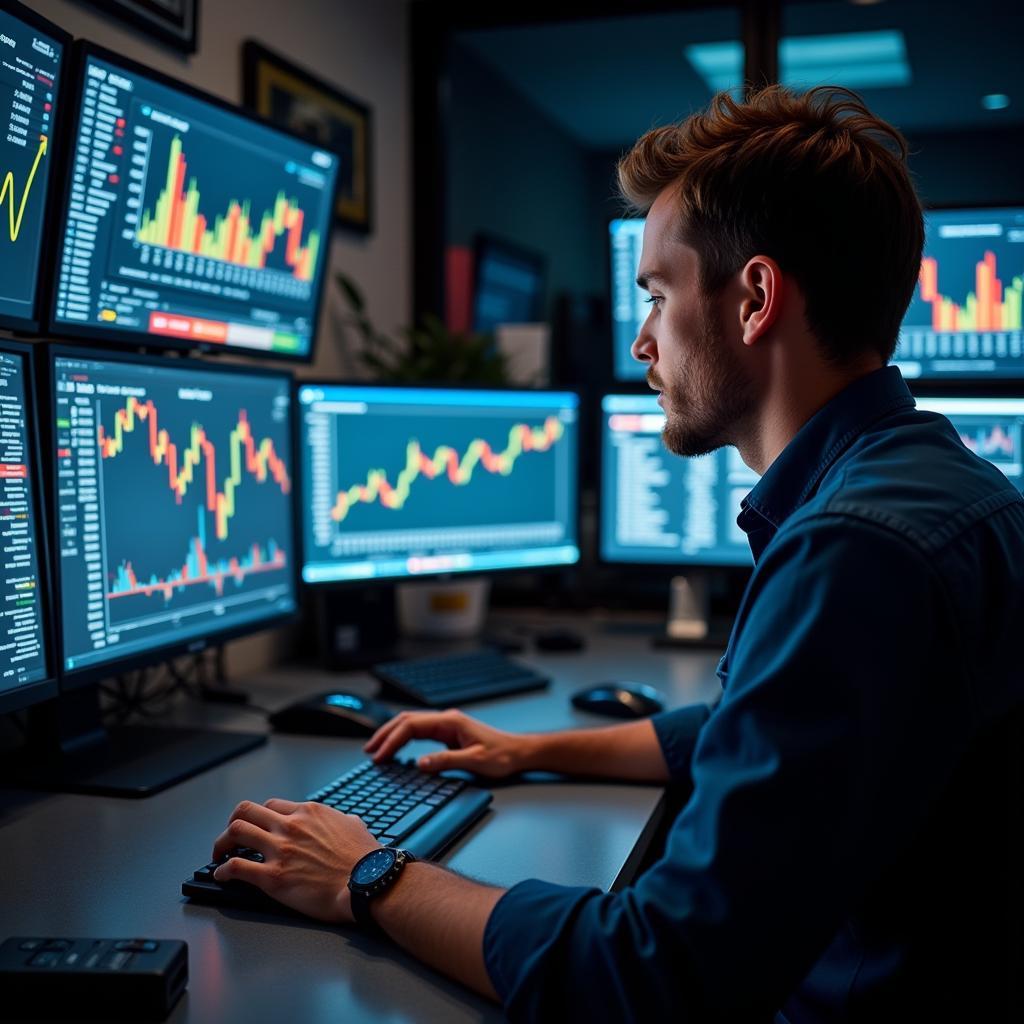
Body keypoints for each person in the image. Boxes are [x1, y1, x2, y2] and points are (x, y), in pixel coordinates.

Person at [211, 86, 1024, 1021]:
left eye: (657, 294)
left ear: (755, 298)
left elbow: (657, 975)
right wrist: (533, 750)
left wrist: (370, 874)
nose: (640, 341)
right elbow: (758, 731)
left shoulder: (854, 551)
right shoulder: (930, 483)